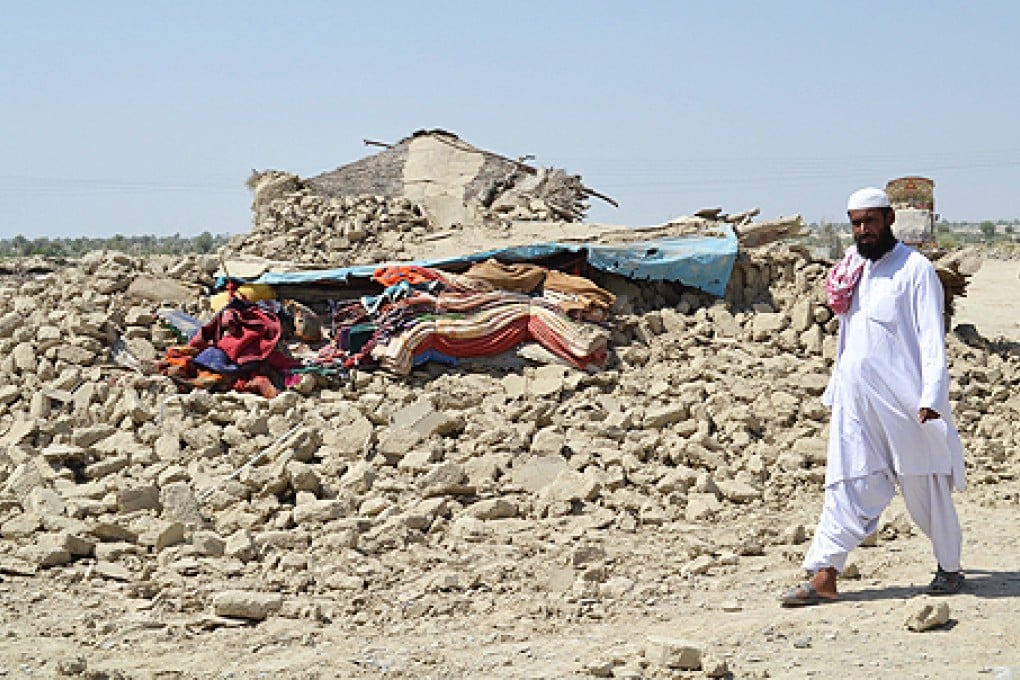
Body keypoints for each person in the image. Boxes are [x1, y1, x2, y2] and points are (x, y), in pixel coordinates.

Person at [779, 186, 967, 606]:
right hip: (857, 400)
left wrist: (931, 396)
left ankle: (950, 568)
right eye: (856, 223)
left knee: (925, 486)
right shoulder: (853, 269)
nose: (863, 230)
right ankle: (824, 574)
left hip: (905, 403)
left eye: (871, 221)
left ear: (889, 220)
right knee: (847, 481)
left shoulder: (914, 270)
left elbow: (931, 339)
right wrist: (839, 387)